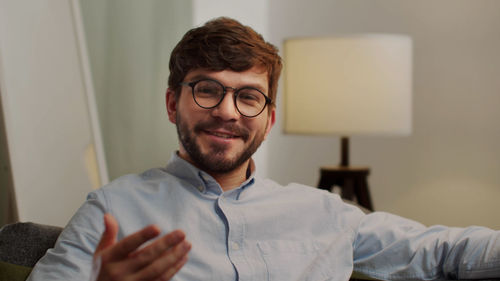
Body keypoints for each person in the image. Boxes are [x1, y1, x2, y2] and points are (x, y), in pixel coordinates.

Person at [28, 17, 500, 281]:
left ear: (269, 119)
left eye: (248, 96)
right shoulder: (113, 211)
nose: (228, 112)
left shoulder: (325, 213)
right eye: (207, 90)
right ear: (173, 104)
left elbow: (443, 252)